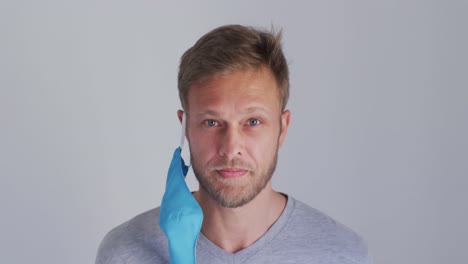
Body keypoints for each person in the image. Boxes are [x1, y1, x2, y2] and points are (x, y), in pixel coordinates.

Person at [96, 24, 371, 264]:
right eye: (212, 122)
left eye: (252, 122)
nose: (231, 148)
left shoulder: (343, 255)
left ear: (282, 128)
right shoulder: (124, 253)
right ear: (186, 127)